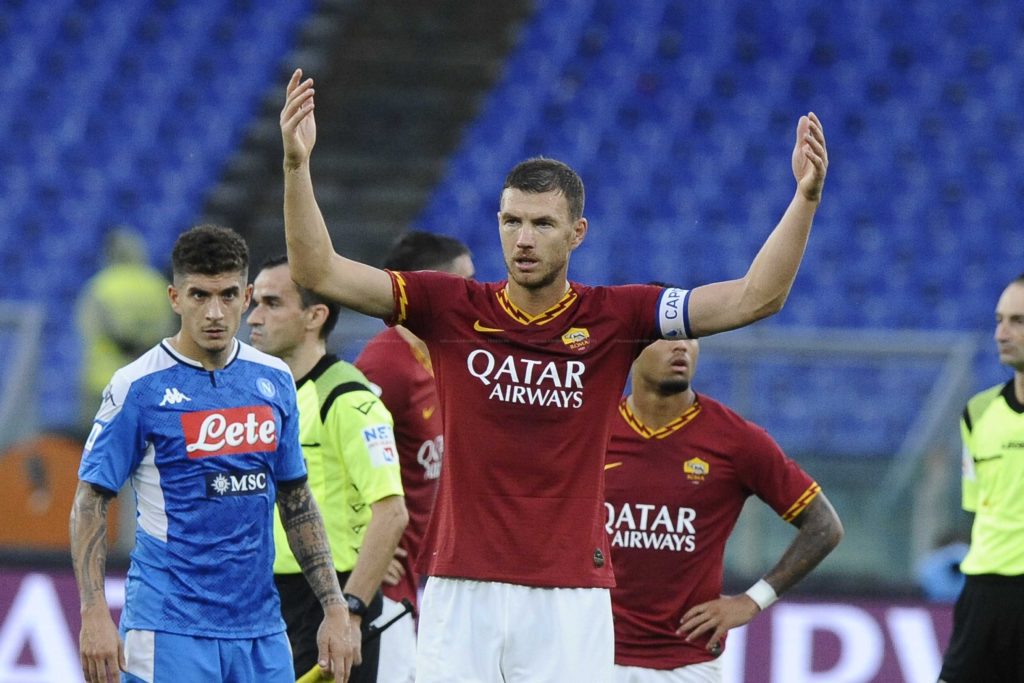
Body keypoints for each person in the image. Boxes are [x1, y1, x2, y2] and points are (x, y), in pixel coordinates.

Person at [279, 67, 828, 681]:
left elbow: (756, 297)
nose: (524, 238)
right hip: (462, 588)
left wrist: (804, 199)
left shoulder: (617, 316)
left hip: (571, 595)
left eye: (542, 224)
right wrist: (297, 166)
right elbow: (319, 270)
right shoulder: (452, 307)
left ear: (577, 233)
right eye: (512, 221)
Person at [70, 225, 358, 683]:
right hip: (168, 628)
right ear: (174, 297)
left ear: (246, 297)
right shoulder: (137, 387)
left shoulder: (274, 380)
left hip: (261, 630)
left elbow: (296, 500)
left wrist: (335, 606)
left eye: (227, 295)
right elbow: (91, 500)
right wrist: (92, 613)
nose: (214, 312)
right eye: (199, 295)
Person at [604, 336, 843, 681]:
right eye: (667, 337)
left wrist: (752, 600)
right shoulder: (593, 428)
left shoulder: (736, 441)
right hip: (590, 651)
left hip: (687, 663)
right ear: (632, 348)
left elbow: (824, 526)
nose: (682, 347)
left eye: (690, 337)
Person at [247, 256, 408, 681]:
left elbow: (391, 513)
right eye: (253, 302)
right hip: (263, 596)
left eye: (271, 303)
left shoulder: (348, 399)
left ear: (315, 316)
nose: (254, 317)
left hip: (324, 602)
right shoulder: (256, 394)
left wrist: (352, 608)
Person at [353, 231, 475, 683]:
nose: (475, 295)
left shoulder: (449, 360)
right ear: (430, 287)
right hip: (389, 581)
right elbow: (341, 462)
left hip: (434, 579)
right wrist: (360, 549)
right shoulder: (385, 365)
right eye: (465, 283)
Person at [938, 273, 1024, 683]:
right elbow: (978, 508)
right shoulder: (978, 412)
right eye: (999, 319)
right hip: (983, 595)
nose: (1001, 333)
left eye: (1018, 321)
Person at [75, 226, 176, 436]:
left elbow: (89, 329)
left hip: (103, 381)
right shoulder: (157, 286)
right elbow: (170, 332)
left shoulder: (101, 286)